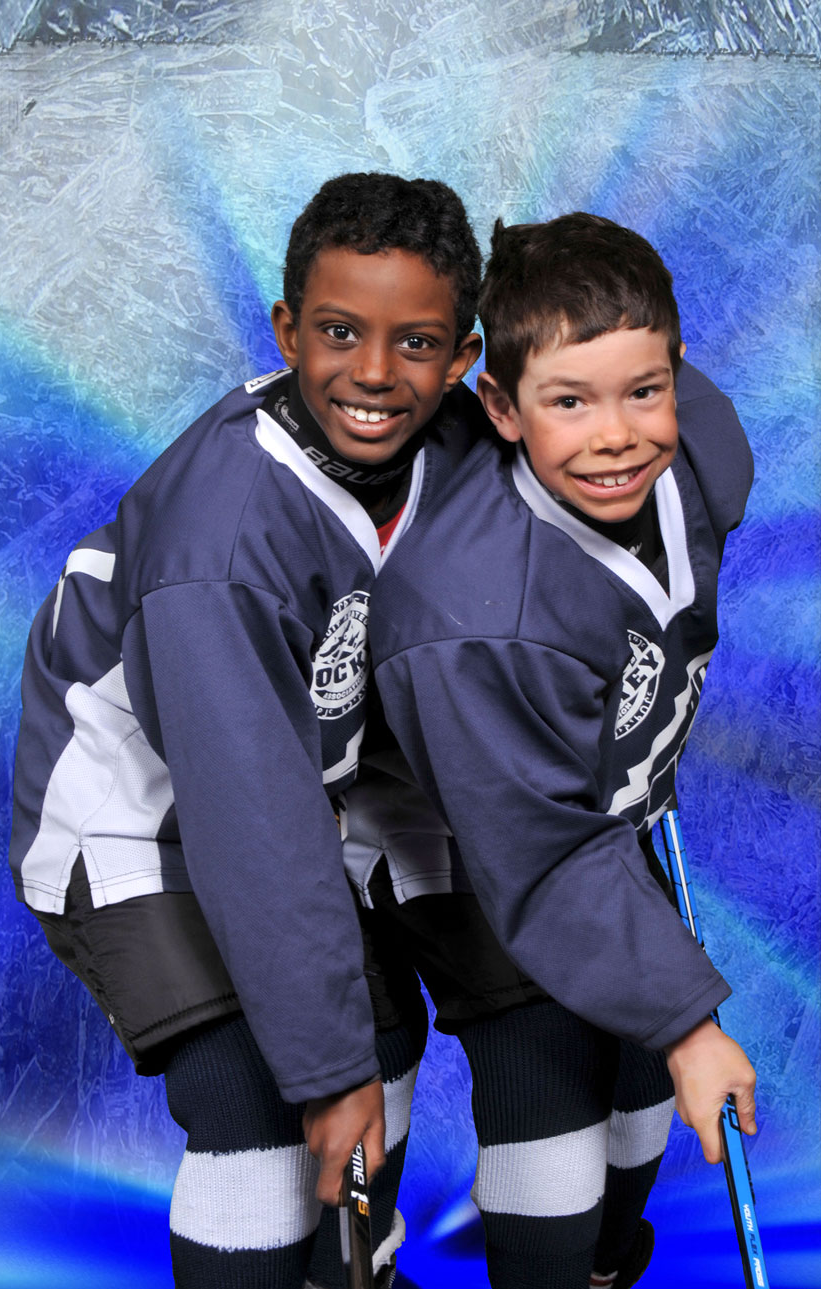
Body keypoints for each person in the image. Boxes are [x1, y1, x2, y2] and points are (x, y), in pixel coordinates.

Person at [8, 172, 484, 1289]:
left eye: (415, 341)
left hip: (290, 791)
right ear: (285, 329)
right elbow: (249, 825)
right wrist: (326, 1072)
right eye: (337, 331)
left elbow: (622, 393)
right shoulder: (222, 541)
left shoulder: (454, 439)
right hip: (137, 822)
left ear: (464, 358)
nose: (374, 372)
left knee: (380, 1038)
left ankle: (347, 1272)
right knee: (261, 1102)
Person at [358, 212, 758, 1289]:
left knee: (638, 1108)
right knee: (555, 1120)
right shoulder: (476, 615)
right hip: (443, 821)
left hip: (573, 804)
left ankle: (605, 1264)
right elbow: (538, 855)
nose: (619, 433)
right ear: (500, 405)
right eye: (568, 402)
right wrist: (690, 1021)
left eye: (645, 389)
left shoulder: (704, 449)